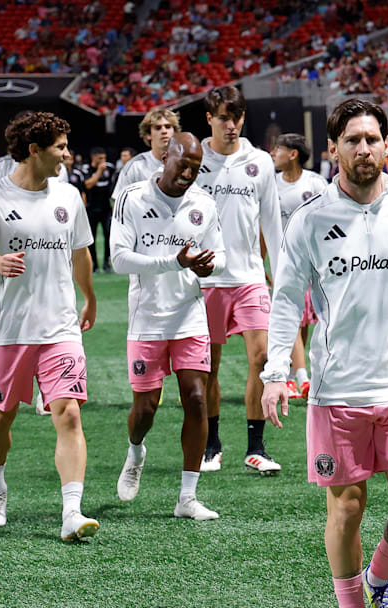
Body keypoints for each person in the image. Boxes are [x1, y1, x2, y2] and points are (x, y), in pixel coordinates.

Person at [260, 98, 388, 608]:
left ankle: (378, 580)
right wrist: (276, 370)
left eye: (372, 139)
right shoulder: (309, 218)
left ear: (387, 146)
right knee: (347, 507)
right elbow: (285, 298)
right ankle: (352, 604)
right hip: (337, 387)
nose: (364, 149)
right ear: (332, 149)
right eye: (352, 140)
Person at [0, 111, 100, 541]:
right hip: (9, 330)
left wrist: (90, 297)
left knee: (70, 414)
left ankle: (72, 512)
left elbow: (80, 254)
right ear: (34, 150)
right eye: (59, 146)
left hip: (60, 327)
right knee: (1, 418)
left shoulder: (69, 196)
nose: (66, 153)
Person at [110, 132, 225, 520]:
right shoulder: (132, 198)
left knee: (196, 397)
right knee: (145, 408)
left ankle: (187, 498)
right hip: (147, 319)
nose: (189, 174)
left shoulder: (203, 204)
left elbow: (221, 255)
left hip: (189, 315)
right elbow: (119, 259)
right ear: (165, 157)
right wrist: (172, 263)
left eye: (196, 168)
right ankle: (136, 449)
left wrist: (211, 266)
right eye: (184, 164)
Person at [194, 86, 283, 475]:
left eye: (237, 118)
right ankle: (212, 444)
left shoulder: (260, 161)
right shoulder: (194, 159)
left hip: (249, 277)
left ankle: (256, 446)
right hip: (206, 281)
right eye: (223, 118)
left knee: (261, 359)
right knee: (209, 367)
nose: (231, 126)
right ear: (209, 119)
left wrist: (281, 277)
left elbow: (273, 224)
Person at [271, 133, 329, 400]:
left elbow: (330, 220)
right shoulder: (272, 185)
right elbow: (264, 226)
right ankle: (303, 376)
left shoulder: (316, 183)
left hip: (315, 262)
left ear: (293, 154)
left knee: (305, 319)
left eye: (278, 149)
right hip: (286, 261)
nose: (273, 153)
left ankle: (293, 376)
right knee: (292, 315)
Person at [112, 107, 180, 199]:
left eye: (168, 127)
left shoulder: (186, 163)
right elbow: (118, 201)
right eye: (158, 128)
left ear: (174, 132)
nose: (164, 131)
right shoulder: (135, 166)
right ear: (148, 134)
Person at [83, 147, 116, 272]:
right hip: (91, 209)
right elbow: (88, 184)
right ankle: (95, 264)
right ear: (93, 158)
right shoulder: (87, 169)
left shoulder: (110, 169)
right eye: (100, 158)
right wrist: (98, 172)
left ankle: (107, 263)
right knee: (91, 238)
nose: (103, 161)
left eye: (104, 158)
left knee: (109, 235)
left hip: (106, 208)